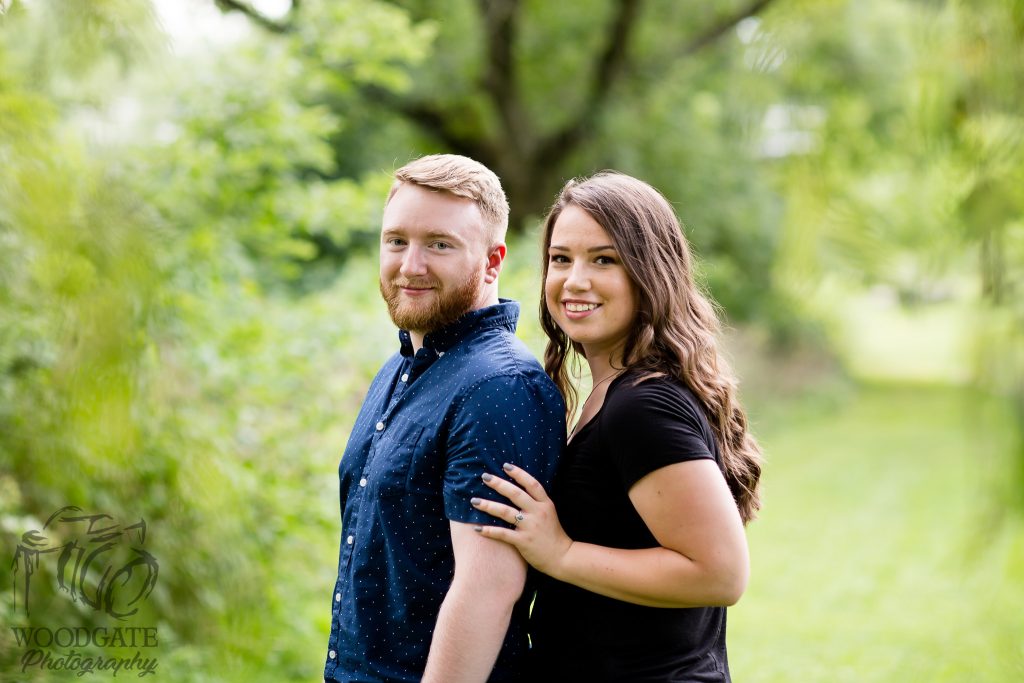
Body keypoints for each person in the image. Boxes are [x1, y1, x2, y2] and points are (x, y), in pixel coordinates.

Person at [472, 172, 763, 682]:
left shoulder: (642, 407)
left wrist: (561, 554)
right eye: (561, 259)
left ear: (651, 272)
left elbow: (720, 573)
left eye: (604, 260)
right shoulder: (619, 392)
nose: (574, 280)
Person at [323, 154, 565, 683]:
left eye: (439, 244)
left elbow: (489, 588)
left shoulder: (498, 388)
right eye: (396, 241)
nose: (410, 265)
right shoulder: (403, 368)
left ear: (492, 261)